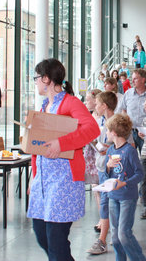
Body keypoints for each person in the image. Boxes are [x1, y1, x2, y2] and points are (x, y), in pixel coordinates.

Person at [27, 58, 100, 261]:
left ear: (46, 79)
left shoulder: (70, 102)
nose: (35, 82)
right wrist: (34, 177)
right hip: (43, 181)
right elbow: (38, 145)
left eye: (36, 78)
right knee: (42, 234)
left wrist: (62, 143)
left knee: (56, 242)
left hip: (63, 181)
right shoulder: (44, 106)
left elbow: (92, 129)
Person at [102, 114, 146, 261]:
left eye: (107, 130)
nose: (106, 133)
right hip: (113, 197)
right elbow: (107, 176)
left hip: (127, 197)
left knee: (124, 234)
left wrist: (125, 183)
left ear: (114, 132)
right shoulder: (110, 151)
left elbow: (140, 174)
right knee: (115, 237)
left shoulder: (130, 151)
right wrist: (107, 167)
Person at [88, 91, 118, 255]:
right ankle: (106, 237)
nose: (96, 106)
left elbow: (127, 147)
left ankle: (103, 239)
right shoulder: (101, 122)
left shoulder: (117, 123)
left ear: (104, 106)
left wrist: (107, 149)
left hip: (113, 171)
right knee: (106, 203)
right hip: (102, 168)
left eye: (97, 103)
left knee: (111, 203)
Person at [119, 69, 146, 154]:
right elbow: (123, 110)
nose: (132, 81)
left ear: (143, 80)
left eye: (135, 78)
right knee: (129, 159)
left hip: (145, 133)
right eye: (132, 78)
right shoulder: (128, 94)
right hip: (130, 132)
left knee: (145, 159)